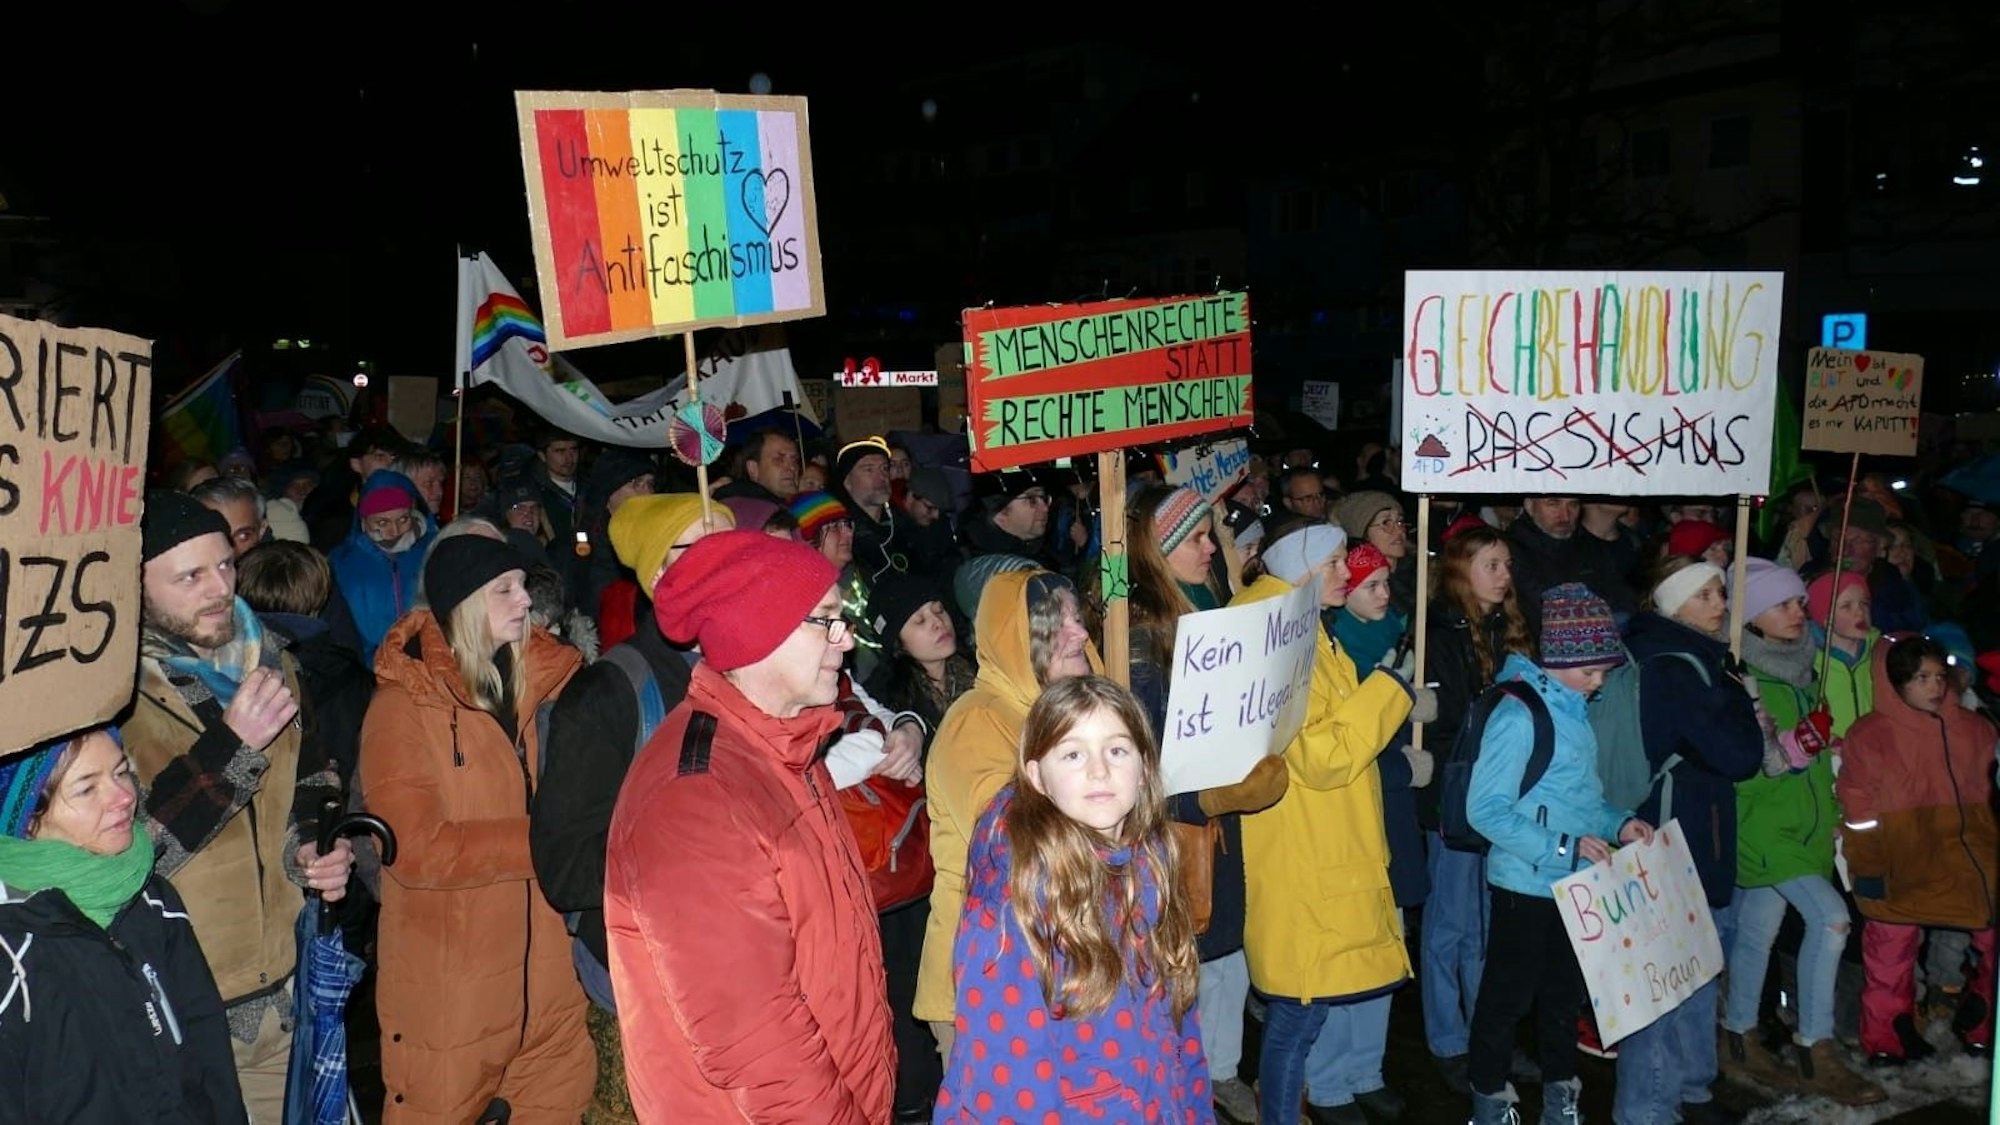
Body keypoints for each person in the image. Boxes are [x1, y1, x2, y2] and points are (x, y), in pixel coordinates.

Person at [605, 531, 896, 1122]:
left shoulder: (786, 746)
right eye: (828, 621)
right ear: (762, 627)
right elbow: (759, 1044)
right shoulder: (696, 799)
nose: (847, 640)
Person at [125, 491, 351, 1122]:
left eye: (225, 565)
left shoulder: (268, 658)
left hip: (285, 994)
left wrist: (312, 844)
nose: (219, 587)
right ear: (134, 585)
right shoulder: (110, 699)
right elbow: (133, 855)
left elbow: (313, 774)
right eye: (189, 576)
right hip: (178, 1013)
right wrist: (232, 747)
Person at [360, 537, 595, 1123]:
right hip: (451, 992)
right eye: (505, 589)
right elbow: (415, 850)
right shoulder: (403, 708)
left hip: (550, 988)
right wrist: (549, 841)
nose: (525, 601)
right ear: (464, 604)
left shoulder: (551, 686)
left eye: (523, 585)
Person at [933, 675, 1211, 1122]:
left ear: (1144, 768)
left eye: (1116, 750)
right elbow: (1005, 1078)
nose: (1099, 771)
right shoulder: (1015, 897)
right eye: (1073, 753)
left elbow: (1180, 1027)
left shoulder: (1152, 863)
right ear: (1037, 776)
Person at [1234, 523, 1428, 1124]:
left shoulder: (1303, 629)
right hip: (1304, 855)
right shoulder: (1279, 638)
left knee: (1302, 1013)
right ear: (1301, 568)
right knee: (1297, 1016)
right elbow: (1322, 757)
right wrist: (1390, 691)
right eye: (1337, 562)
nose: (1349, 573)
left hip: (1321, 848)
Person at [1466, 585, 1654, 1125]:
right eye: (1591, 672)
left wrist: (1619, 823)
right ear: (1562, 660)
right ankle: (1488, 1100)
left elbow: (1581, 799)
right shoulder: (1520, 715)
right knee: (1506, 1000)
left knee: (1563, 997)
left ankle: (1559, 1096)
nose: (1598, 685)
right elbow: (1487, 811)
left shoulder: (1572, 710)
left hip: (1575, 884)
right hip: (1525, 885)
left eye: (1603, 673)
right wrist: (1565, 847)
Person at [0, 726, 248, 1124]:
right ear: (27, 821)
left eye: (121, 771)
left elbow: (208, 1052)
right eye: (86, 789)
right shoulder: (12, 952)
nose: (125, 797)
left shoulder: (152, 899)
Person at [916, 568, 1101, 1060]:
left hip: (1059, 965)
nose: (1079, 633)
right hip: (988, 980)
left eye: (1077, 618)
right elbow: (1017, 847)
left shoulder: (1063, 713)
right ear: (1017, 639)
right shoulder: (979, 721)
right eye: (1055, 626)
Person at [1722, 560, 1886, 1104]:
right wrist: (1800, 746)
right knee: (1832, 919)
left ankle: (1738, 1037)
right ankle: (1817, 1048)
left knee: (1758, 932)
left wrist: (1828, 768)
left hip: (1805, 823)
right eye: (1784, 604)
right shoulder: (1739, 675)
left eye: (1799, 602)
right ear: (1749, 616)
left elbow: (1807, 752)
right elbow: (1754, 760)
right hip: (1764, 823)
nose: (1799, 612)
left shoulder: (1802, 667)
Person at [1614, 557, 1764, 1125]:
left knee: (1696, 966)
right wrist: (1740, 702)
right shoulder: (1676, 667)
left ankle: (1690, 1089)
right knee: (1668, 975)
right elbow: (1740, 756)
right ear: (1673, 605)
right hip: (1675, 834)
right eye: (1704, 596)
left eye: (1720, 592)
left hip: (1688, 830)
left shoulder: (1687, 658)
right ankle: (1648, 1108)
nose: (1721, 605)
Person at [1840, 635, 2000, 1064]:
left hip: (1970, 861)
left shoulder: (1975, 729)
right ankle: (1888, 1038)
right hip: (1902, 862)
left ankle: (1984, 1022)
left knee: (1991, 939)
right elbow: (1859, 810)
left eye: (1938, 677)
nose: (1933, 687)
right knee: (1890, 955)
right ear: (1895, 682)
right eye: (1920, 678)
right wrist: (1869, 866)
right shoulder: (1871, 736)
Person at [1421, 523, 1536, 1092]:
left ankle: (1489, 1034)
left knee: (1492, 926)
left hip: (1505, 796)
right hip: (1458, 797)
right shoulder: (1438, 631)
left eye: (1508, 564)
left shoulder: (1508, 629)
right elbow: (1443, 725)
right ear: (1461, 569)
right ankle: (1448, 1038)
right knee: (1451, 924)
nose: (1504, 575)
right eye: (1491, 564)